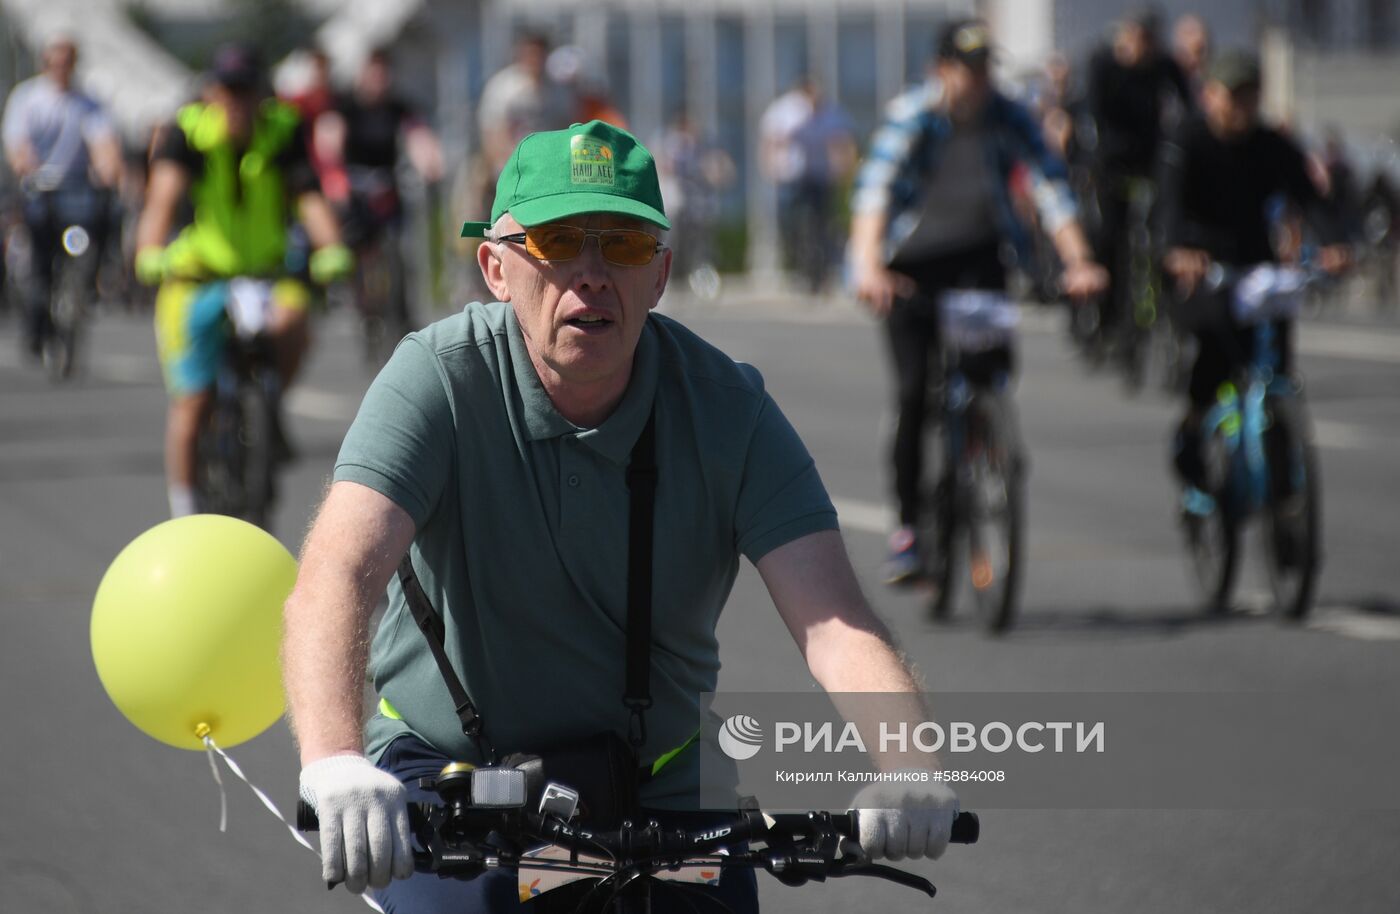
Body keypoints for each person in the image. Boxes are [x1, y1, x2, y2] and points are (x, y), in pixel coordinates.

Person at [283, 119, 960, 912]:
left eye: (625, 246)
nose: (592, 274)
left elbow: (836, 623)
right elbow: (340, 570)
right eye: (559, 241)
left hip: (663, 786)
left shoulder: (728, 408)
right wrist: (332, 758)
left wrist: (908, 764)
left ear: (662, 273)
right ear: (496, 269)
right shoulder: (435, 378)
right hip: (456, 774)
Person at [850, 19, 1106, 584]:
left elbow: (1050, 184)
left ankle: (989, 445)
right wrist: (868, 267)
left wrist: (1079, 261)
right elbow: (875, 189)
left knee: (989, 372)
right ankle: (910, 528)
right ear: (940, 71)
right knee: (915, 390)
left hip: (977, 252)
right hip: (909, 262)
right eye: (966, 69)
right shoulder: (913, 116)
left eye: (985, 68)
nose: (978, 81)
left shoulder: (1007, 114)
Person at [133, 43, 352, 518]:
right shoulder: (186, 134)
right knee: (192, 403)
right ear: (211, 92)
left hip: (266, 273)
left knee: (295, 324)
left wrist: (331, 247)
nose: (236, 101)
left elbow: (310, 199)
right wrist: (148, 251)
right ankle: (184, 510)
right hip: (198, 277)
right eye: (227, 90)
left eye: (245, 91)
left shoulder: (282, 133)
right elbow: (161, 199)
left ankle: (268, 412)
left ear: (261, 96)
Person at [1157, 51, 1349, 493]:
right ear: (1210, 96)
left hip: (1255, 263)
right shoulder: (1186, 140)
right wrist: (1177, 251)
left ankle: (1283, 487)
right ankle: (1192, 430)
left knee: (1276, 354)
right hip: (1201, 268)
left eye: (1249, 96)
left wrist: (1335, 243)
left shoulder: (1270, 145)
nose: (1240, 107)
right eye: (1231, 96)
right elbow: (1167, 206)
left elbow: (1310, 198)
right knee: (1216, 354)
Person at [2, 33, 122, 360]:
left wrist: (109, 169)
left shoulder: (87, 102)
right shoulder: (27, 98)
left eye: (67, 62)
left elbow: (103, 142)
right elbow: (18, 145)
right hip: (39, 190)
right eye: (55, 62)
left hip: (76, 190)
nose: (61, 68)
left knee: (104, 222)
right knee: (41, 261)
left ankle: (95, 281)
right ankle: (37, 323)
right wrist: (27, 166)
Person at [1086, 8, 1194, 349]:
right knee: (1108, 235)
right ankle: (1106, 313)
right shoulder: (1103, 63)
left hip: (1152, 159)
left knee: (1166, 231)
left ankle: (1168, 307)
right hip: (1112, 161)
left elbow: (1187, 108)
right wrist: (1092, 158)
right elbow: (1091, 113)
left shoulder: (1165, 66)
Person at [759, 76, 857, 293]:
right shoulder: (786, 111)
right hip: (791, 177)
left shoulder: (830, 112)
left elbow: (842, 142)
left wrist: (843, 170)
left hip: (819, 176)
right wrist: (770, 167)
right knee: (791, 223)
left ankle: (819, 271)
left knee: (823, 224)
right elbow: (770, 141)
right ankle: (796, 263)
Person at [477, 31, 573, 179]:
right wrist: (506, 165)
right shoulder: (503, 87)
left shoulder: (558, 90)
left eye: (539, 54)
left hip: (547, 164)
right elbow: (492, 132)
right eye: (530, 53)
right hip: (511, 163)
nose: (535, 59)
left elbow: (567, 129)